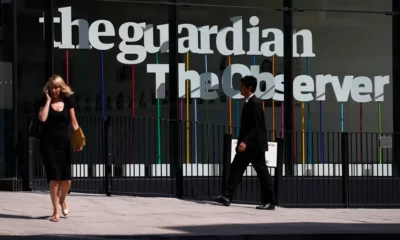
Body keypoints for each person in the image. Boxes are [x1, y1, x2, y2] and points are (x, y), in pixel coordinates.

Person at [212, 75, 276, 210]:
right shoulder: (249, 102)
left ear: (249, 88)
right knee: (236, 169)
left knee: (262, 172)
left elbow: (256, 126)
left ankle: (269, 201)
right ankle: (227, 196)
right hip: (248, 145)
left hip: (254, 146)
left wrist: (245, 142)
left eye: (242, 86)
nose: (240, 89)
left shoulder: (255, 103)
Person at [38, 74, 82, 222]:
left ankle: (63, 199)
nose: (54, 90)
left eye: (56, 87)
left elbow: (74, 123)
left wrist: (79, 141)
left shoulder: (68, 102)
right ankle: (56, 211)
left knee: (67, 180)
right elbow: (42, 118)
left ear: (61, 87)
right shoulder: (44, 101)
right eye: (51, 87)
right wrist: (48, 101)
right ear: (48, 89)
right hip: (48, 144)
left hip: (64, 144)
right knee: (54, 179)